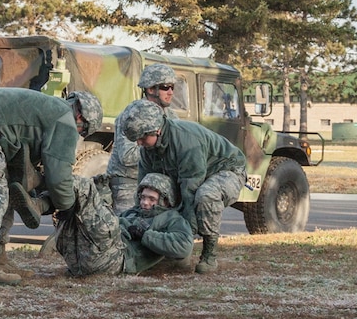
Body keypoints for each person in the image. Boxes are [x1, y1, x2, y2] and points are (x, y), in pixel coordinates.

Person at [0, 87, 98, 286]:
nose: (78, 135)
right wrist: (66, 205)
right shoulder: (65, 119)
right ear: (81, 117)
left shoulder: (49, 108)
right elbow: (59, 178)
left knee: (3, 186)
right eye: (82, 131)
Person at [117, 99, 246, 274]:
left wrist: (185, 238)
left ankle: (209, 254)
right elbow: (145, 185)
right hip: (194, 174)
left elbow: (189, 192)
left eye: (141, 138)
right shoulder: (148, 149)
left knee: (205, 195)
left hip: (226, 170)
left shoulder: (187, 141)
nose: (138, 143)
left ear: (157, 130)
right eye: (136, 139)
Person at [54, 172, 197, 276]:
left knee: (84, 185)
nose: (144, 202)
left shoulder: (172, 218)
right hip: (78, 261)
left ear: (166, 201)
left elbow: (184, 246)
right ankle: (44, 195)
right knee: (74, 208)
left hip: (116, 260)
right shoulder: (132, 212)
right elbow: (106, 231)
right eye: (142, 197)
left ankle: (46, 201)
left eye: (152, 199)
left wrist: (145, 235)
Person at [108, 63, 183, 212]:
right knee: (128, 228)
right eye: (165, 87)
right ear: (150, 89)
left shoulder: (172, 117)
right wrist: (157, 147)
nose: (170, 92)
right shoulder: (132, 115)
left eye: (172, 87)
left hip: (158, 186)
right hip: (129, 184)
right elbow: (127, 157)